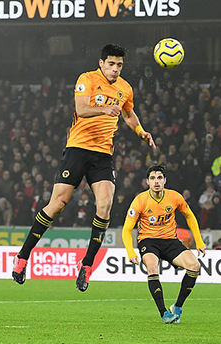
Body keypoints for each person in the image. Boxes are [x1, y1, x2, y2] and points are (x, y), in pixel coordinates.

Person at [12, 44, 156, 292]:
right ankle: (23, 256)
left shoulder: (125, 88)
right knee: (58, 204)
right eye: (111, 64)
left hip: (102, 155)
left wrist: (141, 132)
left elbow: (128, 114)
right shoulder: (87, 79)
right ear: (101, 63)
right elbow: (81, 109)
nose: (115, 69)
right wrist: (105, 109)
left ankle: (87, 265)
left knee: (105, 204)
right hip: (78, 148)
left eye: (119, 65)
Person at [121, 165, 206, 324]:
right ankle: (164, 313)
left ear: (165, 180)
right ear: (147, 182)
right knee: (152, 267)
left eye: (159, 177)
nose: (156, 182)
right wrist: (131, 252)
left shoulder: (174, 197)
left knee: (194, 266)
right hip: (148, 241)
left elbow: (189, 216)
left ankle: (177, 307)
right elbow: (126, 230)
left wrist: (199, 241)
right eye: (152, 178)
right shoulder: (140, 200)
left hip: (170, 241)